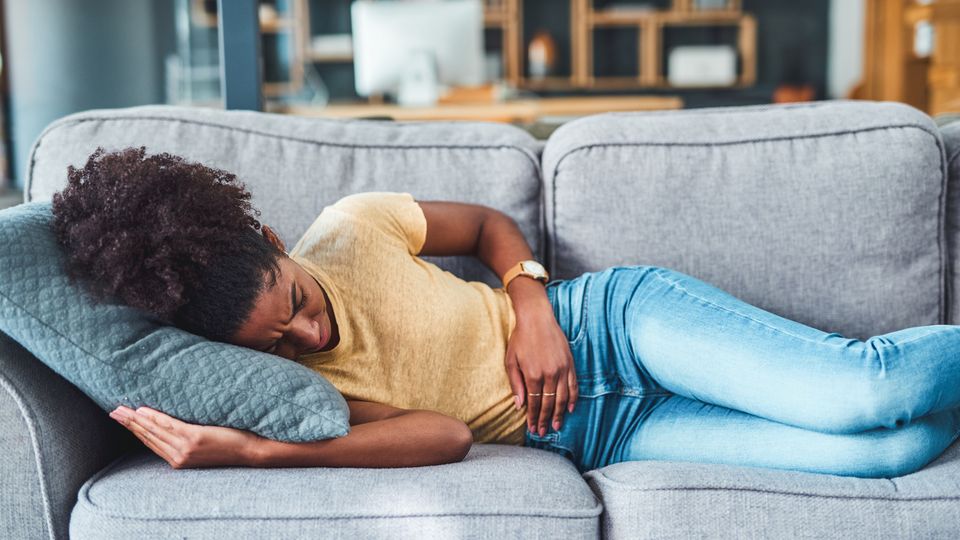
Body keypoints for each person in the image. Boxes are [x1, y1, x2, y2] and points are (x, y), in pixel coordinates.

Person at [52, 147, 960, 478]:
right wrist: (252, 451)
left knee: (861, 396)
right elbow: (445, 438)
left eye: (294, 304)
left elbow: (487, 225)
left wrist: (530, 302)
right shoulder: (278, 387)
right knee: (885, 452)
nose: (308, 336)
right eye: (281, 341)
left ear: (275, 239)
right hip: (601, 437)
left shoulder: (353, 228)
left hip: (611, 323)